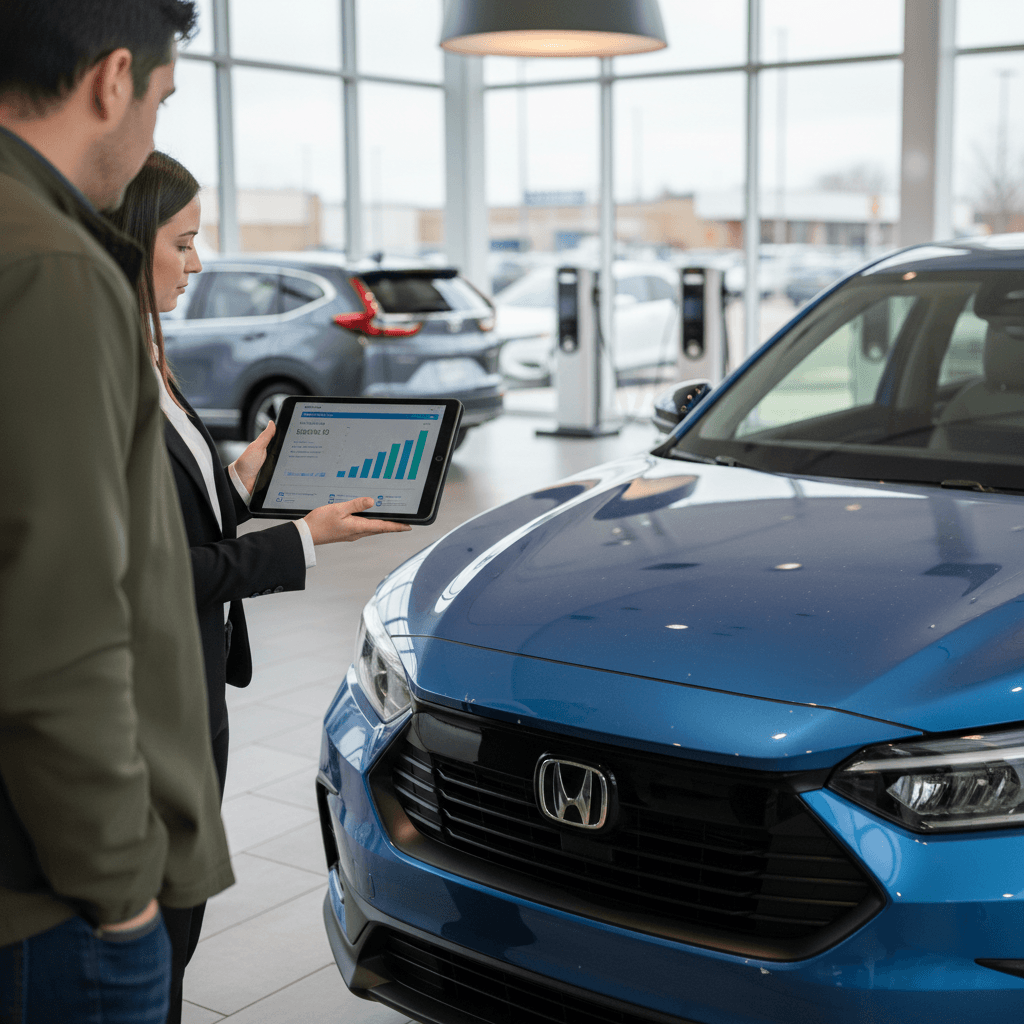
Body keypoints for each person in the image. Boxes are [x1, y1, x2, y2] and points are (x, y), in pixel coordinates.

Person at [108, 151, 411, 1022]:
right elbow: (149, 575)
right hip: (147, 702)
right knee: (158, 936)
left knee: (178, 924)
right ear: (131, 244)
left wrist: (239, 482)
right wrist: (302, 541)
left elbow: (172, 519)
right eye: (184, 242)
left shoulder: (147, 354)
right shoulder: (103, 376)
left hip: (190, 686)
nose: (197, 263)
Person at [0, 3, 235, 1021]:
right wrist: (123, 888)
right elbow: (59, 626)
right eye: (162, 98)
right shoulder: (50, 262)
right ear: (112, 80)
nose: (151, 132)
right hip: (47, 896)